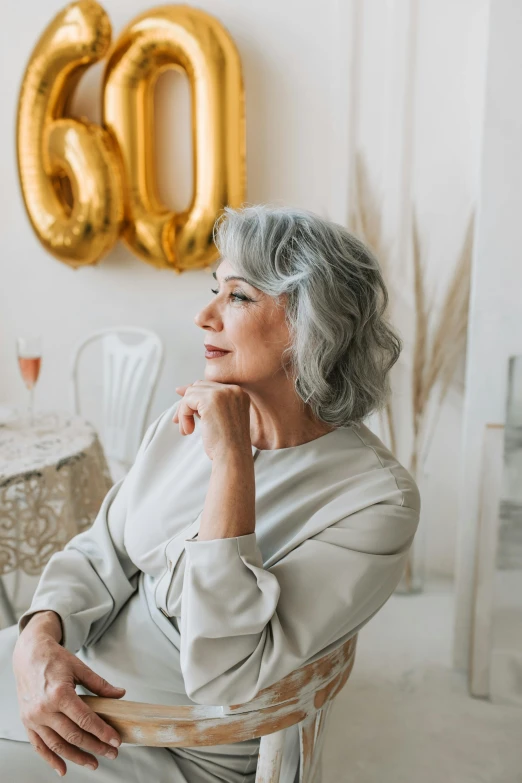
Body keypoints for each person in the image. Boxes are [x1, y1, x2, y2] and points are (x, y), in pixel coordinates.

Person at [0, 205, 420, 782]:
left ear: (312, 326)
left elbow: (227, 676)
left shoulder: (374, 503)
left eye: (238, 297)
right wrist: (39, 639)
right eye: (212, 290)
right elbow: (102, 553)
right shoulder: (188, 415)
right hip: (75, 682)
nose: (203, 316)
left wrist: (231, 466)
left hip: (168, 745)